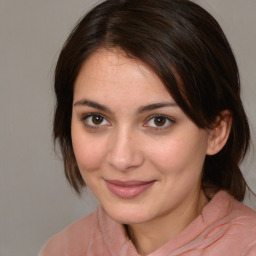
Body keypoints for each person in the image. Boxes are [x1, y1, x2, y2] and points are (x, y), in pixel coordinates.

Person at [39, 0, 256, 255]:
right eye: (96, 119)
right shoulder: (61, 249)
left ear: (216, 131)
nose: (121, 159)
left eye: (158, 121)